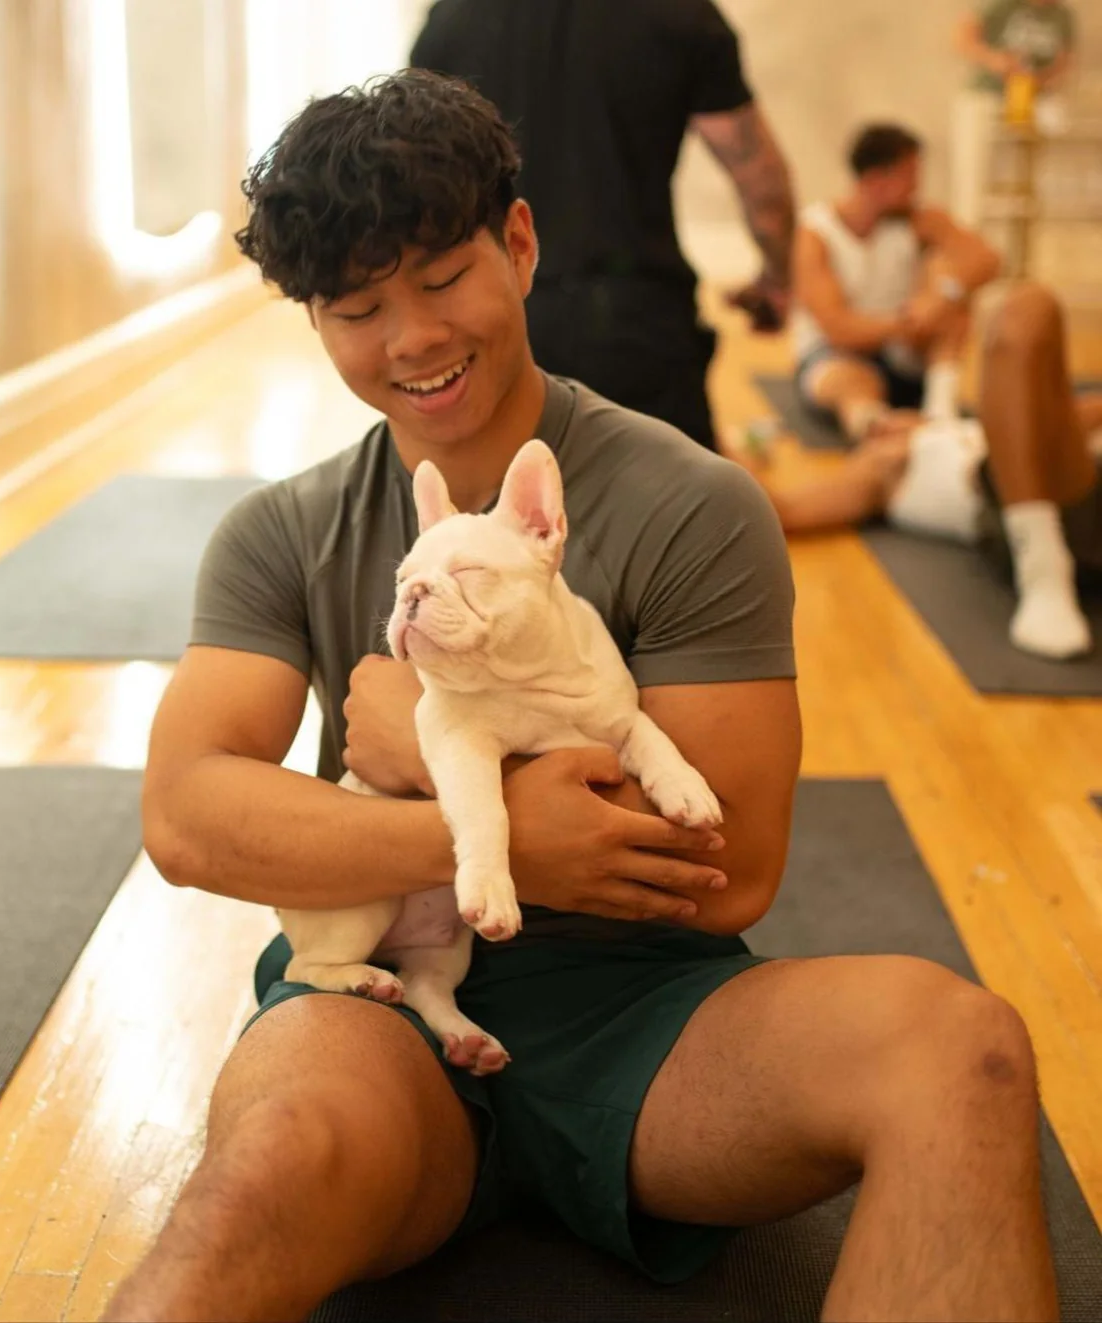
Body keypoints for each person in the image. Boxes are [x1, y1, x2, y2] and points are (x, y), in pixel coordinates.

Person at [104, 73, 1055, 1323]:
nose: (411, 340)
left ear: (519, 243)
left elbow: (734, 867)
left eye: (442, 281)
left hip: (650, 1014)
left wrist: (414, 747)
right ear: (318, 325)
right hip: (381, 1002)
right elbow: (187, 819)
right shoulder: (280, 534)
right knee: (254, 1179)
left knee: (961, 1050)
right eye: (356, 310)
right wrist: (487, 831)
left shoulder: (691, 504)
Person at [410, 0, 796, 451]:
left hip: (503, 311)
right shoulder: (680, 14)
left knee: (510, 512)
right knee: (682, 512)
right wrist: (777, 278)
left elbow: (420, 189)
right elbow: (761, 184)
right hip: (637, 318)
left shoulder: (454, 17)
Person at [735, 282, 1100, 660]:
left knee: (1027, 307)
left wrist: (936, 421)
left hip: (1054, 467)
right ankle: (1043, 572)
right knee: (1026, 308)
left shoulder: (943, 429)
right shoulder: (884, 472)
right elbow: (780, 513)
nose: (883, 433)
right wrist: (726, 452)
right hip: (1047, 503)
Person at [791, 123, 1002, 442]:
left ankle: (940, 414)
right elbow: (839, 329)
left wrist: (944, 295)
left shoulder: (920, 218)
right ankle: (873, 426)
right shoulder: (815, 232)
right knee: (853, 381)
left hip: (903, 352)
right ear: (876, 180)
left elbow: (987, 259)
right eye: (910, 175)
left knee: (950, 289)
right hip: (836, 357)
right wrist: (906, 321)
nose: (916, 186)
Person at [951, 1, 1078, 225]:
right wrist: (996, 60)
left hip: (1033, 100)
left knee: (1056, 132)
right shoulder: (1002, 5)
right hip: (988, 95)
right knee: (973, 174)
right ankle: (969, 228)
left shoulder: (1062, 15)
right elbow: (962, 37)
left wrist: (1042, 80)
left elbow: (1064, 62)